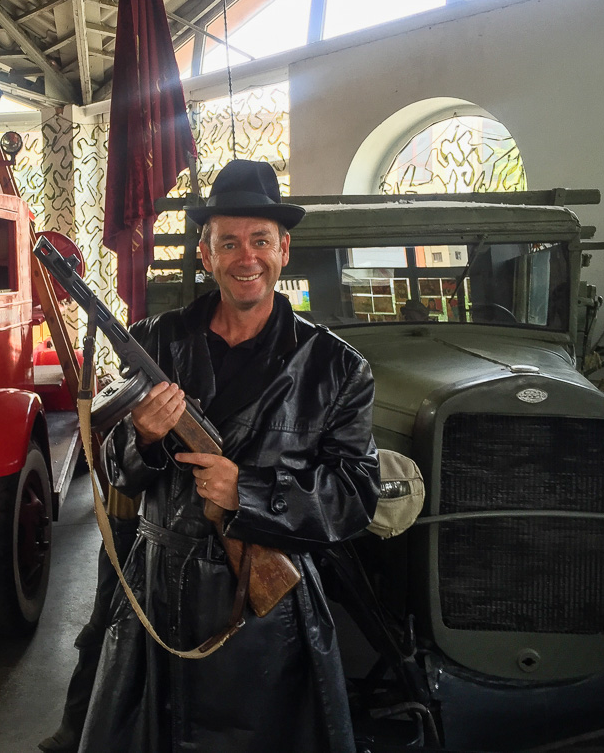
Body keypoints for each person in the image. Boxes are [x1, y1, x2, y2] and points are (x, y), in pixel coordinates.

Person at [78, 159, 381, 753]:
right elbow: (115, 472)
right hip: (156, 595)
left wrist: (250, 492)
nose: (248, 257)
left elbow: (355, 497)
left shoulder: (338, 367)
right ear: (205, 254)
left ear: (284, 249)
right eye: (230, 242)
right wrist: (142, 437)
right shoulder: (156, 341)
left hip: (266, 617)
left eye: (261, 241)